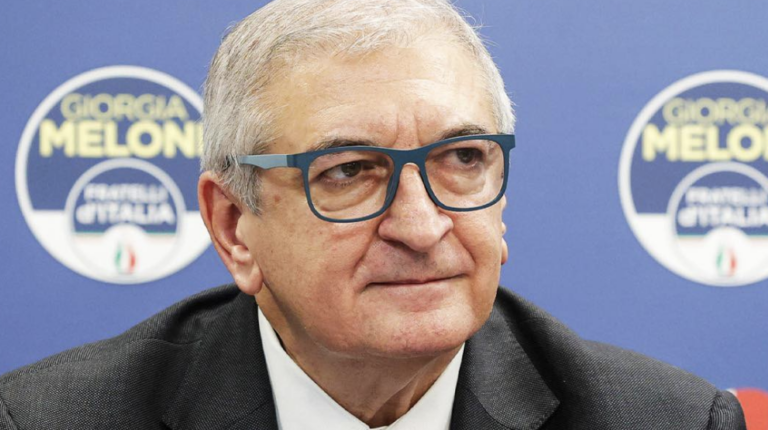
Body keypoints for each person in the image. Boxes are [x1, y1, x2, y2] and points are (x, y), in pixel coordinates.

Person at [0, 0, 747, 429]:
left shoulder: (667, 421)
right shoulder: (51, 420)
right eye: (350, 172)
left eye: (463, 158)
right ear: (233, 228)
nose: (421, 228)